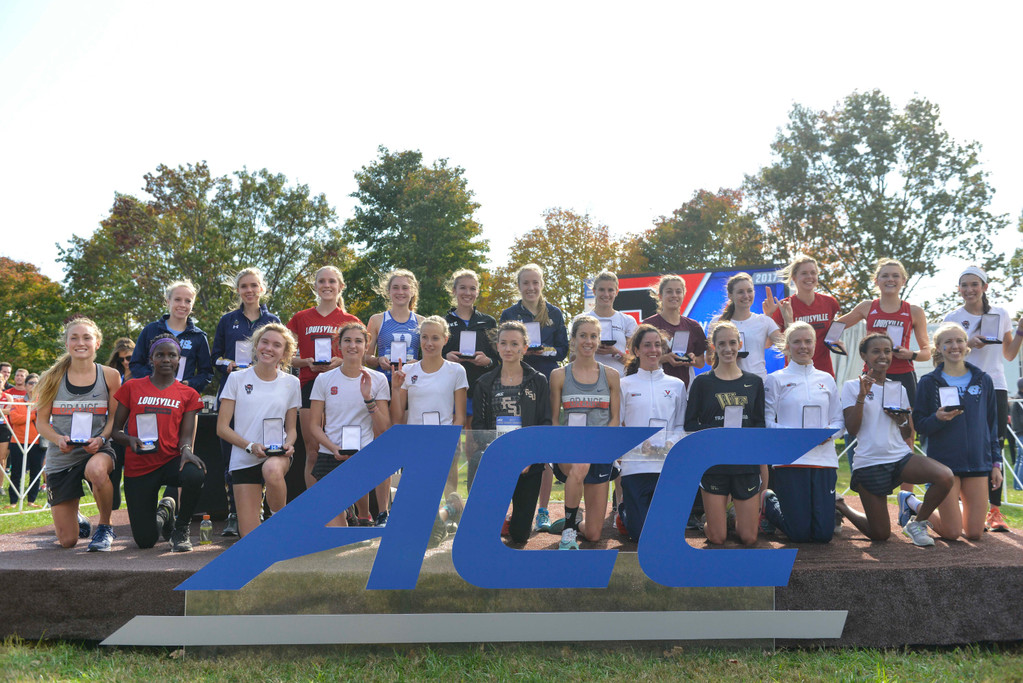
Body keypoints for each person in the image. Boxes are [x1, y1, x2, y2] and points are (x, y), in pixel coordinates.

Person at [835, 334, 954, 547]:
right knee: (880, 535)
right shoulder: (852, 386)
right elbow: (852, 430)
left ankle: (917, 523)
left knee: (944, 476)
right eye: (876, 351)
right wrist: (862, 397)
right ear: (864, 355)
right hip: (870, 462)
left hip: (900, 457)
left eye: (887, 351)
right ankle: (841, 506)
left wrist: (901, 420)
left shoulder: (898, 388)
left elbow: (906, 433)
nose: (883, 356)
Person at [942, 266, 1023, 532]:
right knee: (959, 440)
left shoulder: (1000, 314)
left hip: (995, 386)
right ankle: (957, 504)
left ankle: (995, 511)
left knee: (994, 443)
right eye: (964, 285)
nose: (969, 290)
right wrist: (967, 345)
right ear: (959, 289)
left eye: (974, 284)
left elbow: (1009, 354)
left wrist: (1020, 332)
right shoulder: (953, 317)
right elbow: (942, 353)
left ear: (985, 287)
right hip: (962, 384)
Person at [33, 318, 121, 550]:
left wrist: (101, 438)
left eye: (87, 337)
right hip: (62, 455)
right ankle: (79, 518)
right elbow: (41, 423)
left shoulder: (110, 376)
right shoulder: (50, 378)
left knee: (97, 469)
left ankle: (105, 527)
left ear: (98, 343)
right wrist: (57, 439)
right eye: (74, 337)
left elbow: (114, 418)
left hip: (97, 449)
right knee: (68, 541)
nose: (80, 343)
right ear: (66, 343)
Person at [113, 334, 206, 551]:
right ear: (151, 358)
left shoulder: (189, 394)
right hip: (139, 466)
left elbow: (186, 435)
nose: (166, 359)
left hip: (171, 460)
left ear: (178, 360)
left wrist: (187, 450)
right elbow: (116, 431)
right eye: (160, 355)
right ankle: (165, 511)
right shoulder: (132, 387)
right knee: (145, 541)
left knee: (195, 472)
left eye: (171, 355)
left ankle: (181, 529)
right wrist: (129, 439)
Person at [910, 323, 1001, 541]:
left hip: (977, 462)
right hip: (944, 466)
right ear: (939, 348)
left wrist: (996, 463)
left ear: (967, 345)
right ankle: (914, 506)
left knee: (974, 533)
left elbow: (992, 425)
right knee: (952, 533)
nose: (955, 346)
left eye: (959, 340)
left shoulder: (984, 380)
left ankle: (917, 506)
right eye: (948, 342)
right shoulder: (928, 382)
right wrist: (937, 419)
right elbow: (920, 425)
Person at [211, 268, 281, 536]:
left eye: (254, 285)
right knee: (232, 451)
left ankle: (260, 509)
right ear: (238, 291)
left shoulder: (272, 319)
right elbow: (214, 357)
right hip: (235, 390)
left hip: (264, 395)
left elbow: (280, 352)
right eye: (244, 286)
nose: (249, 290)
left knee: (265, 449)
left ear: (262, 288)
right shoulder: (228, 320)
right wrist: (226, 363)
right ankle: (233, 513)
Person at [685, 321, 767, 546]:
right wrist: (718, 433)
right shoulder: (702, 383)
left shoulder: (754, 382)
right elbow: (690, 424)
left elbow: (760, 424)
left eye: (732, 343)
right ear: (714, 346)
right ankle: (711, 521)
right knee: (718, 537)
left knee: (749, 537)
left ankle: (732, 516)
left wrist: (744, 437)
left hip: (744, 464)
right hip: (714, 465)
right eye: (722, 344)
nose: (728, 348)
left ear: (740, 344)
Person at [499, 264, 568, 532]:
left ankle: (541, 511)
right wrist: (521, 352)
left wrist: (545, 351)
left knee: (544, 446)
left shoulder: (554, 313)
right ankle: (510, 510)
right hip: (515, 383)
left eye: (535, 282)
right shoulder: (509, 314)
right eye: (526, 283)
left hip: (547, 383)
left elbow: (563, 348)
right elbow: (504, 346)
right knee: (513, 443)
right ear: (519, 285)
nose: (531, 287)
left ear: (541, 284)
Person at [471, 321, 552, 544]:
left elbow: (545, 423)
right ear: (497, 347)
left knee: (519, 535)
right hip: (495, 460)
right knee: (486, 531)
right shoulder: (484, 383)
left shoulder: (538, 381)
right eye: (504, 343)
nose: (508, 348)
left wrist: (528, 458)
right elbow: (479, 427)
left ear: (524, 348)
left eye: (514, 344)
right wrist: (497, 455)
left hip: (528, 464)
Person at [763, 322, 844, 543]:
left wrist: (829, 434)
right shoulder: (775, 379)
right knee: (798, 534)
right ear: (787, 346)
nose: (803, 346)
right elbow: (767, 421)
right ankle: (767, 502)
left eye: (808, 341)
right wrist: (795, 437)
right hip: (791, 460)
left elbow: (839, 420)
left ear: (815, 344)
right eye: (796, 341)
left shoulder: (826, 378)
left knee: (823, 535)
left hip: (824, 461)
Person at [216, 324, 300, 537]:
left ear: (285, 353)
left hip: (276, 455)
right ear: (256, 345)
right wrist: (250, 447)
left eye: (277, 345)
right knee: (250, 539)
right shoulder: (236, 379)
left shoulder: (292, 382)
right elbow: (222, 428)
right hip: (244, 456)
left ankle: (279, 521)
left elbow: (291, 428)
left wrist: (289, 444)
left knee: (271, 470)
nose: (269, 348)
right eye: (265, 342)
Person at [306, 322, 391, 526]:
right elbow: (314, 426)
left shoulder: (378, 379)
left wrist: (368, 398)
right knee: (335, 530)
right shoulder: (324, 380)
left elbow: (384, 428)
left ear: (366, 346)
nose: (353, 346)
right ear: (339, 345)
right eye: (347, 341)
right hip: (331, 455)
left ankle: (363, 517)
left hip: (363, 457)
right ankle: (348, 515)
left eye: (358, 341)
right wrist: (333, 448)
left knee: (358, 470)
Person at [549, 316, 622, 549]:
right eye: (583, 335)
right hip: (569, 451)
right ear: (573, 340)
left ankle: (576, 521)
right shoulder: (559, 375)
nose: (588, 341)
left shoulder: (611, 375)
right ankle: (568, 531)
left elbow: (614, 420)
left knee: (593, 534)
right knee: (580, 465)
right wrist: (565, 447)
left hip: (600, 452)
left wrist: (597, 448)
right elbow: (554, 421)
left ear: (598, 340)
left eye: (593, 336)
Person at [286, 266, 361, 490]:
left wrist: (340, 362)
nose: (326, 285)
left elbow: (360, 355)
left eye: (331, 281)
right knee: (313, 448)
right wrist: (306, 362)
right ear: (316, 286)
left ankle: (344, 505)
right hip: (310, 385)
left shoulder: (350, 319)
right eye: (322, 281)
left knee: (341, 448)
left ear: (341, 286)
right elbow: (285, 355)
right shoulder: (300, 318)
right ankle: (315, 507)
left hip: (342, 386)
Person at [617, 324, 687, 542]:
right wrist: (637, 446)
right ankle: (624, 510)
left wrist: (670, 443)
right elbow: (618, 426)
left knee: (665, 534)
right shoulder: (624, 385)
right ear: (636, 351)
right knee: (641, 536)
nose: (653, 350)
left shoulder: (676, 385)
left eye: (657, 345)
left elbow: (680, 426)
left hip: (666, 466)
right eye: (647, 345)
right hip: (634, 466)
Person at [442, 269, 498, 493]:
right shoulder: (444, 321)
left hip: (480, 391)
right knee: (452, 448)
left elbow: (499, 359)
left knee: (475, 446)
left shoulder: (488, 321)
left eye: (472, 288)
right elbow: (427, 354)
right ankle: (453, 501)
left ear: (478, 291)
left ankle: (475, 496)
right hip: (450, 392)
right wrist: (445, 357)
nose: (467, 292)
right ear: (454, 290)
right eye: (462, 288)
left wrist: (487, 362)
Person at [128, 279, 214, 394]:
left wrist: (188, 384)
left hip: (181, 396)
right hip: (150, 394)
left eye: (188, 301)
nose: (182, 305)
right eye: (177, 299)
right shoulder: (151, 330)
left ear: (192, 305)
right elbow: (135, 364)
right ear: (168, 301)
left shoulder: (198, 336)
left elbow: (206, 374)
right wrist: (153, 379)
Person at [763, 254, 843, 377]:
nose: (809, 277)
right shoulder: (784, 306)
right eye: (804, 273)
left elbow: (831, 335)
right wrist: (769, 316)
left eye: (813, 272)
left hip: (823, 373)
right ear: (794, 278)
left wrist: (836, 342)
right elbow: (768, 343)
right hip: (794, 374)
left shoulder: (830, 303)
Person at [709, 272, 783, 380]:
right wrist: (727, 355)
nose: (746, 296)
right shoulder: (718, 322)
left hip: (758, 385)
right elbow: (709, 358)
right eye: (740, 292)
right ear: (730, 295)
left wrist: (787, 318)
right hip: (726, 384)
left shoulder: (765, 321)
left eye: (749, 291)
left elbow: (786, 347)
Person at [642, 274, 707, 389]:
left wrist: (692, 359)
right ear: (660, 296)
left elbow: (701, 362)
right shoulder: (649, 325)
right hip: (656, 389)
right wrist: (666, 358)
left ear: (683, 294)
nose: (674, 295)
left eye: (678, 291)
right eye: (669, 291)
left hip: (686, 390)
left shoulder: (693, 326)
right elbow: (639, 359)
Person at [575, 270, 637, 378]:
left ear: (616, 292)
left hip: (619, 381)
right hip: (587, 381)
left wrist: (616, 352)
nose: (606, 294)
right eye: (601, 290)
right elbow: (572, 357)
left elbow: (635, 361)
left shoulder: (627, 320)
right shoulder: (581, 319)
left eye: (610, 290)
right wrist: (589, 349)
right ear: (594, 291)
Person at [366, 269, 423, 380]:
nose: (400, 292)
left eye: (405, 288)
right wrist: (378, 360)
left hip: (412, 385)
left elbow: (431, 358)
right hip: (384, 384)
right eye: (395, 287)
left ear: (413, 291)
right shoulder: (377, 320)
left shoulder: (422, 322)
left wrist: (418, 364)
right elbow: (366, 357)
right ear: (388, 291)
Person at [105, 337, 136, 510]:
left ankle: (136, 514)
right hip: (115, 428)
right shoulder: (113, 375)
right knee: (113, 473)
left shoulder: (143, 374)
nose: (125, 362)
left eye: (129, 358)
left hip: (134, 429)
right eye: (121, 359)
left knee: (133, 474)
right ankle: (111, 514)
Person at [5, 374, 43, 509]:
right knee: (16, 472)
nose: (33, 385)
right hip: (18, 441)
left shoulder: (42, 402)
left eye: (36, 383)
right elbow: (15, 419)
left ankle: (31, 501)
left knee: (36, 472)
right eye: (31, 383)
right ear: (26, 386)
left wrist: (28, 415)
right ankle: (13, 502)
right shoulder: (18, 401)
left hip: (37, 442)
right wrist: (33, 414)